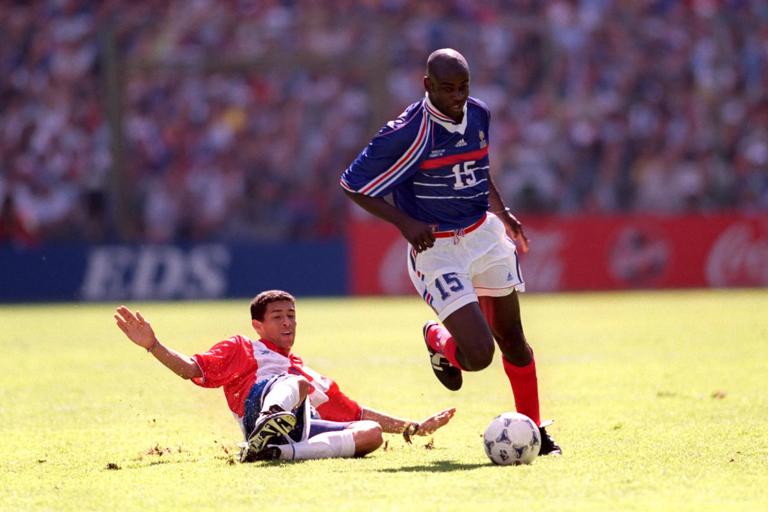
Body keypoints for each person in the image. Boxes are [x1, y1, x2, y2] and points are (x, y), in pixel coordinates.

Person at [340, 48, 560, 455]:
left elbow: (478, 169)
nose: (457, 96)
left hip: (484, 236)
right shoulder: (407, 132)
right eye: (447, 89)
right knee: (478, 356)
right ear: (427, 85)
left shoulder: (479, 114)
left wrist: (504, 212)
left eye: (463, 87)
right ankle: (437, 338)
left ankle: (534, 429)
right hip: (437, 249)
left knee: (513, 338)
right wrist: (405, 224)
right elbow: (352, 183)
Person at [114, 290, 455, 462]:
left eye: (292, 315)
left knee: (371, 434)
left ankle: (276, 452)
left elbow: (356, 412)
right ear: (258, 326)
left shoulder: (301, 368)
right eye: (278, 316)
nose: (288, 322)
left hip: (296, 427)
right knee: (294, 384)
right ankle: (268, 421)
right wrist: (154, 345)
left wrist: (414, 427)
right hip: (255, 413)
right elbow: (192, 369)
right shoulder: (241, 348)